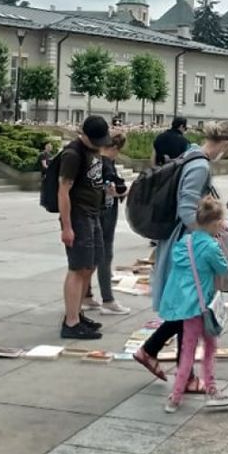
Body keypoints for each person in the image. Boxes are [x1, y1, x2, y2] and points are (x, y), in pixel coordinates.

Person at [133, 121, 228, 393]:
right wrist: (209, 232)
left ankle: (160, 356)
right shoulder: (200, 164)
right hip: (187, 244)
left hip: (184, 241)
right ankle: (166, 361)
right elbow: (185, 208)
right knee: (190, 308)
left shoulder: (191, 154)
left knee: (189, 308)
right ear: (227, 143)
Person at [158, 196, 228, 412]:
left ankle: (175, 397)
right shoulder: (211, 246)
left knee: (187, 351)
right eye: (220, 222)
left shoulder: (184, 242)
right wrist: (221, 244)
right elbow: (224, 269)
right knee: (210, 348)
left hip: (187, 305)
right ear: (214, 224)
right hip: (204, 306)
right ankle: (212, 390)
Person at [57, 116, 112, 340]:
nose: (100, 144)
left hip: (93, 213)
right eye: (96, 140)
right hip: (78, 216)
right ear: (84, 135)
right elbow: (63, 192)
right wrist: (67, 227)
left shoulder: (94, 151)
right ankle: (71, 323)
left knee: (90, 265)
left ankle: (77, 314)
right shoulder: (73, 154)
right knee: (78, 267)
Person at [82, 131, 131, 316]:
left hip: (92, 211)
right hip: (105, 212)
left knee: (92, 256)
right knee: (104, 255)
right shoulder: (107, 163)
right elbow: (112, 188)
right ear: (114, 148)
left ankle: (86, 295)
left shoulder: (93, 160)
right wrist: (122, 192)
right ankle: (108, 299)